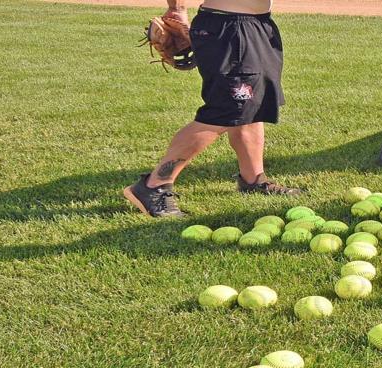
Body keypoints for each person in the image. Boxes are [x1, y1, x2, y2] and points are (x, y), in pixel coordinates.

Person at [124, 0, 299, 218]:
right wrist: (177, 9)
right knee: (225, 109)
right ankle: (154, 185)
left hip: (255, 24)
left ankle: (253, 179)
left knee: (251, 105)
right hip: (229, 27)